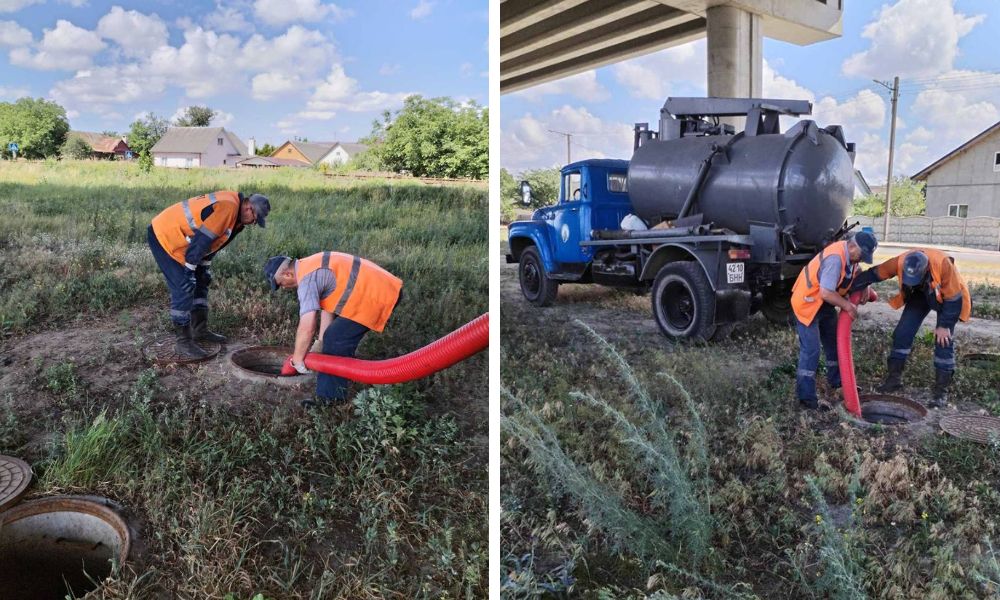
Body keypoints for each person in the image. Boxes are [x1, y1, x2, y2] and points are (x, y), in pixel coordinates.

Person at [264, 251, 403, 408]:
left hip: (378, 295)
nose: (282, 288)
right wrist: (321, 342)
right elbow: (328, 308)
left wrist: (297, 360)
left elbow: (307, 327)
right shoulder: (309, 265)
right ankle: (335, 383)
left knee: (337, 340)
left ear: (287, 274)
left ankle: (331, 399)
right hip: (383, 287)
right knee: (332, 338)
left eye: (280, 284)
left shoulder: (307, 280)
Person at [149, 191, 270, 358]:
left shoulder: (238, 220)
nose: (254, 223)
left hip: (186, 242)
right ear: (249, 208)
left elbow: (215, 243)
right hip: (165, 237)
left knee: (201, 281)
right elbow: (203, 240)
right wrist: (189, 270)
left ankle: (199, 330)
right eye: (255, 219)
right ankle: (183, 343)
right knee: (184, 287)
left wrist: (203, 268)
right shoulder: (228, 208)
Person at [851, 248, 971, 407]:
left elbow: (954, 298)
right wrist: (853, 287)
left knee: (943, 342)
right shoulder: (900, 261)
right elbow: (874, 273)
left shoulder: (942, 264)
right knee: (902, 333)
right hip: (920, 294)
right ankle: (894, 380)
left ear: (926, 269)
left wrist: (945, 325)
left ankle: (941, 393)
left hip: (948, 300)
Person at [790, 231, 878, 410]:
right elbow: (826, 292)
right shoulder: (835, 259)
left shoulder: (850, 257)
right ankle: (806, 399)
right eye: (861, 256)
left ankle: (837, 383)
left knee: (834, 344)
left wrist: (866, 286)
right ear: (852, 246)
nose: (860, 260)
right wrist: (847, 306)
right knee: (811, 350)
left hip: (823, 305)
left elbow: (857, 270)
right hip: (807, 305)